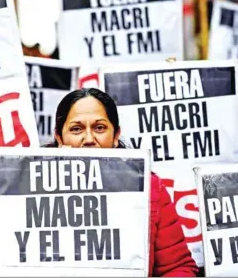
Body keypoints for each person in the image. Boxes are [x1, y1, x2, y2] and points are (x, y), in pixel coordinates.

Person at [44, 88, 199, 277]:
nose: (89, 139)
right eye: (76, 129)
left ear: (116, 135)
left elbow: (178, 268)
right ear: (59, 137)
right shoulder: (26, 190)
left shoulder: (149, 189)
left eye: (99, 128)